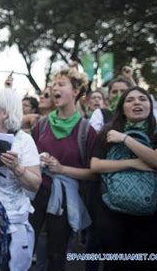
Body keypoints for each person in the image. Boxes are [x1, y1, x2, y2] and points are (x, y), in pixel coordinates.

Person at [90, 87, 157, 271]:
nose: (137, 102)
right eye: (130, 100)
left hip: (151, 215)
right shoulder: (107, 132)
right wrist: (134, 163)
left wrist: (126, 139)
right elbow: (95, 165)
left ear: (150, 106)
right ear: (122, 108)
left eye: (142, 99)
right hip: (112, 212)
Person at [29, 68, 98, 271]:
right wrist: (38, 160)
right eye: (54, 84)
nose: (54, 88)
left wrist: (61, 169)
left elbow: (93, 173)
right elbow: (29, 158)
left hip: (66, 200)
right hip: (37, 193)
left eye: (61, 84)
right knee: (27, 244)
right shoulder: (41, 125)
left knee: (56, 254)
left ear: (76, 91)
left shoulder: (87, 131)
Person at [0, 88, 41, 270]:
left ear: (4, 113)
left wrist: (17, 168)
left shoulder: (23, 140)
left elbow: (35, 184)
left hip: (11, 221)